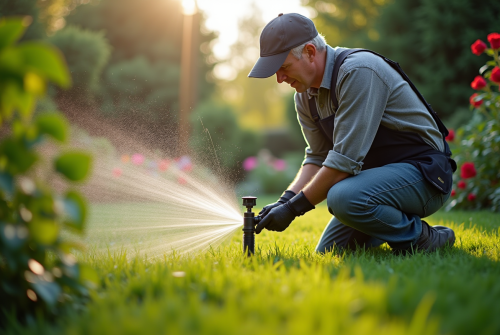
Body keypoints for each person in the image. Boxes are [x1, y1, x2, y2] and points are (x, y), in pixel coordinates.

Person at [248, 13, 457, 254]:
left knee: (342, 198)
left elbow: (343, 163)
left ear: (309, 52)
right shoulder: (305, 97)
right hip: (375, 185)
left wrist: (294, 209)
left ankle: (424, 238)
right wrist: (284, 201)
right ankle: (394, 229)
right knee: (331, 252)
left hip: (425, 176)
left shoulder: (358, 71)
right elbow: (317, 157)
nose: (279, 79)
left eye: (283, 67)